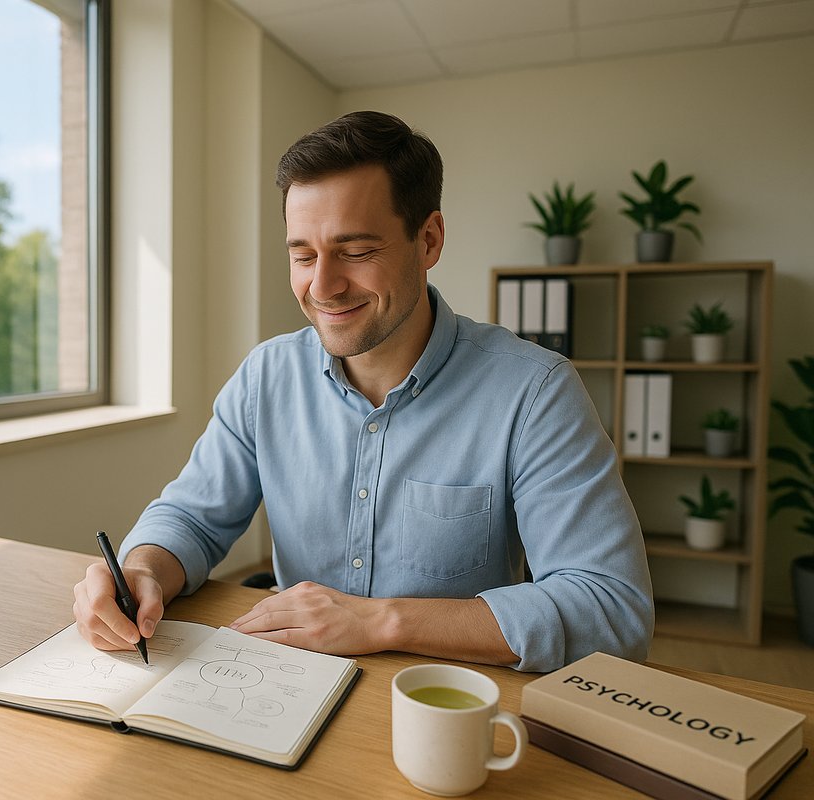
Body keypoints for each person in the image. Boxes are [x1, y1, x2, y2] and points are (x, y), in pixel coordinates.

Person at [73, 111, 653, 672]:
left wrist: (381, 622)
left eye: (355, 251)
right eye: (302, 255)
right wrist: (143, 570)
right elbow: (192, 518)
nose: (322, 286)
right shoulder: (266, 376)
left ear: (428, 240)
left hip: (443, 703)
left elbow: (611, 609)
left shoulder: (535, 392)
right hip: (287, 686)